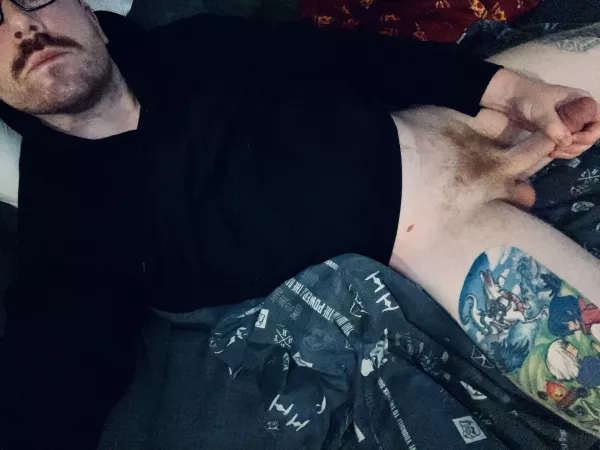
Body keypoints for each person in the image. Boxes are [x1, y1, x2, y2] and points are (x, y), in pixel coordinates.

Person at [0, 0, 600, 448]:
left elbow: (351, 58)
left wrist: (512, 92)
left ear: (93, 17)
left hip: (455, 120)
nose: (23, 25)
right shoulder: (66, 220)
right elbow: (55, 362)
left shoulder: (198, 42)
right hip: (455, 245)